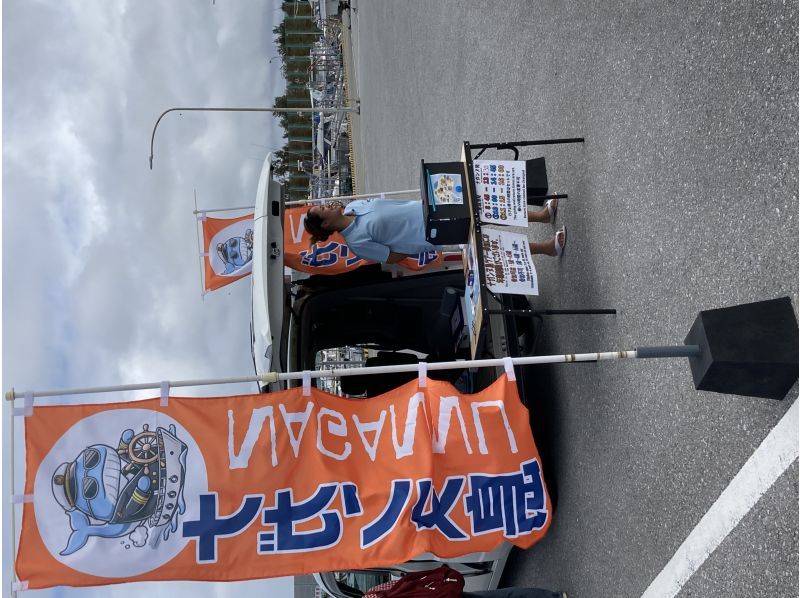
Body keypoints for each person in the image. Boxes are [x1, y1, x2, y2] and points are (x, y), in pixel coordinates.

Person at [304, 198, 567, 264]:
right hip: (432, 236)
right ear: (325, 225)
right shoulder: (357, 243)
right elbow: (391, 257)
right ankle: (547, 249)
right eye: (323, 209)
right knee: (489, 244)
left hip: (432, 208)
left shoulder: (355, 206)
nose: (327, 204)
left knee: (485, 210)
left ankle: (542, 216)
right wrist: (418, 243)